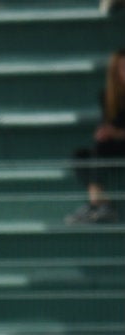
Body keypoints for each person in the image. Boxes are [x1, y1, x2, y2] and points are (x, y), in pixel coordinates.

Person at [66, 48, 125, 224]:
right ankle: (101, 202)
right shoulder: (108, 97)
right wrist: (104, 131)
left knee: (102, 147)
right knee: (81, 156)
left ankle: (96, 205)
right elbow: (107, 124)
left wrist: (116, 133)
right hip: (116, 148)